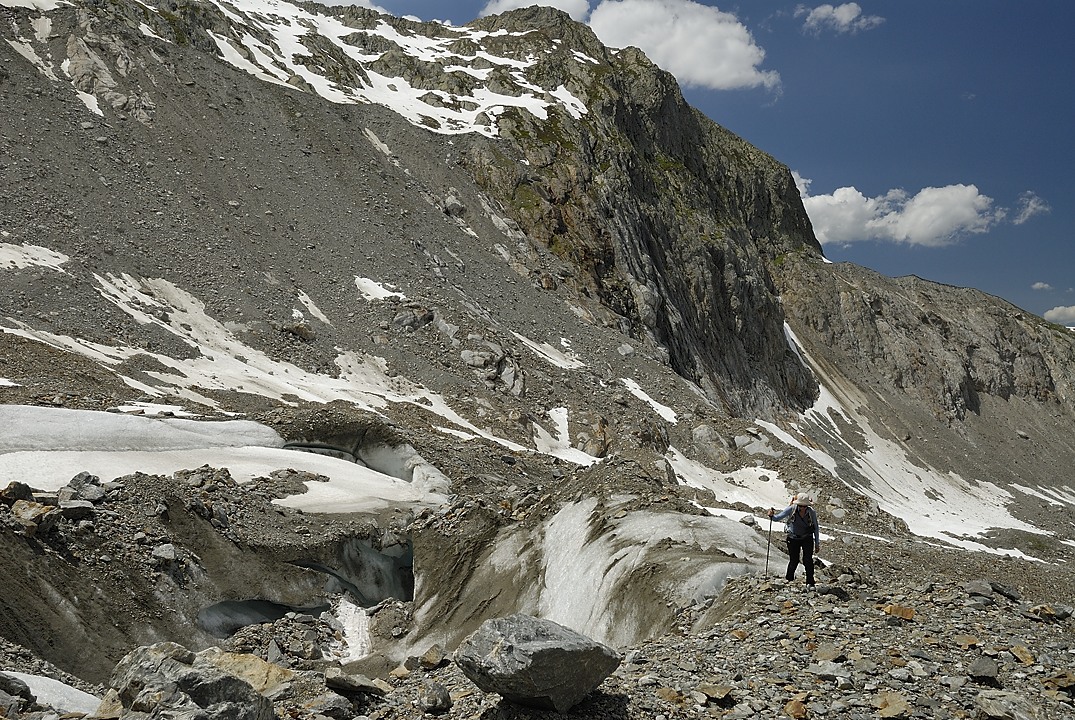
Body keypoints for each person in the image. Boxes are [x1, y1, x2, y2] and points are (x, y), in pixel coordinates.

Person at [768, 493, 820, 586]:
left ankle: (810, 582)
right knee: (794, 560)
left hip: (807, 538)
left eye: (804, 506)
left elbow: (816, 527)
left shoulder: (811, 512)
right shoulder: (791, 509)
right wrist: (771, 516)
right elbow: (777, 518)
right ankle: (789, 579)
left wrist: (817, 543)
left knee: (807, 560)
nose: (803, 508)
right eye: (801, 506)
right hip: (793, 538)